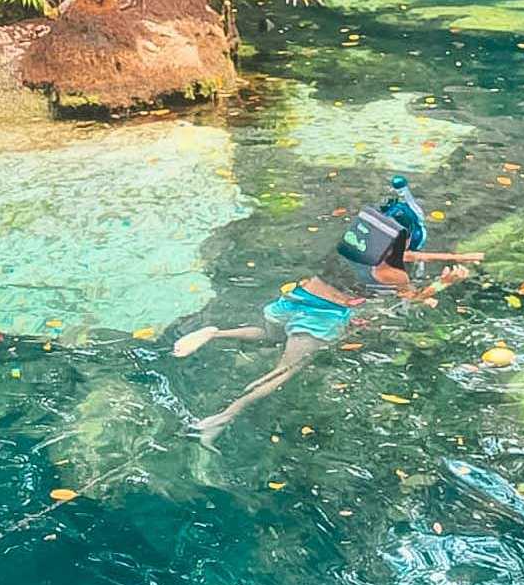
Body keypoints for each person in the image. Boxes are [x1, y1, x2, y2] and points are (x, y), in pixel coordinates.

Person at [172, 179, 479, 446]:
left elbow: (406, 253)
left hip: (296, 299)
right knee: (282, 373)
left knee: (267, 334)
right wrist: (445, 282)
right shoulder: (394, 276)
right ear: (406, 238)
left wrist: (457, 255)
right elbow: (413, 298)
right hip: (320, 319)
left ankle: (215, 332)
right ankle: (222, 419)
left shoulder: (353, 245)